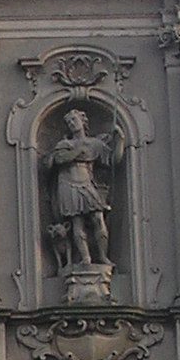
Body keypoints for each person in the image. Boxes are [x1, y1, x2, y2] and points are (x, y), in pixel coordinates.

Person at [44, 108, 118, 270]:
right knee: (77, 223)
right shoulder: (64, 144)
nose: (71, 124)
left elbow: (113, 160)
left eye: (74, 120)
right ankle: (86, 258)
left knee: (98, 218)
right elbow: (59, 159)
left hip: (86, 182)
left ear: (83, 122)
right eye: (69, 122)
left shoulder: (95, 144)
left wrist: (121, 139)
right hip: (68, 184)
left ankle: (103, 257)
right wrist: (78, 151)